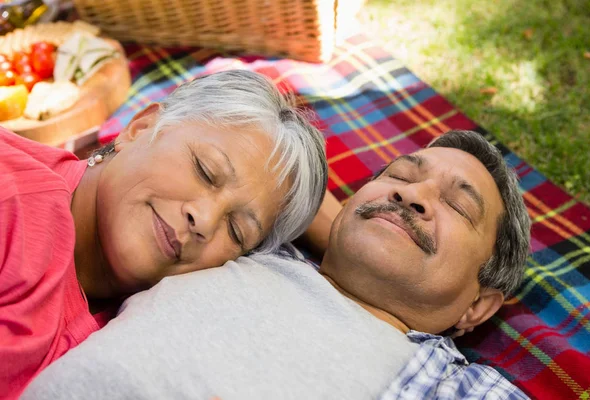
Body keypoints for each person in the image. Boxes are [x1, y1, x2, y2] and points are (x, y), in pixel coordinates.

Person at [21, 130, 532, 399]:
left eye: (458, 207)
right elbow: (253, 132)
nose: (411, 194)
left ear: (479, 304)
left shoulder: (456, 387)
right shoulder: (243, 240)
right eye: (399, 174)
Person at [0, 70, 329, 399]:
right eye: (205, 170)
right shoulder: (12, 196)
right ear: (141, 128)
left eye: (236, 230)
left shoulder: (149, 336)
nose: (204, 219)